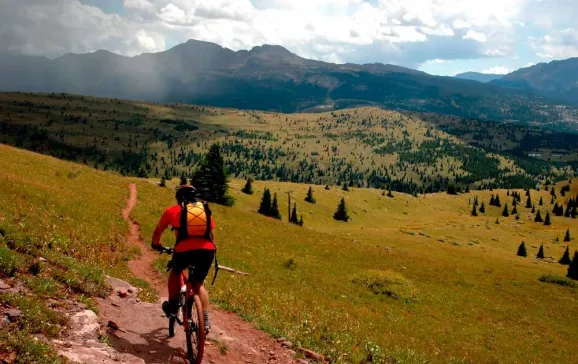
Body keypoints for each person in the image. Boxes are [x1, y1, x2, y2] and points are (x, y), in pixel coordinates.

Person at [151, 184, 216, 335]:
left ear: (178, 198)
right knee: (198, 283)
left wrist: (156, 245)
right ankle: (204, 320)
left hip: (183, 250)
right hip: (207, 250)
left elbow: (158, 231)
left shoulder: (172, 211)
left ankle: (173, 306)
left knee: (175, 272)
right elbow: (211, 235)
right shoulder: (203, 211)